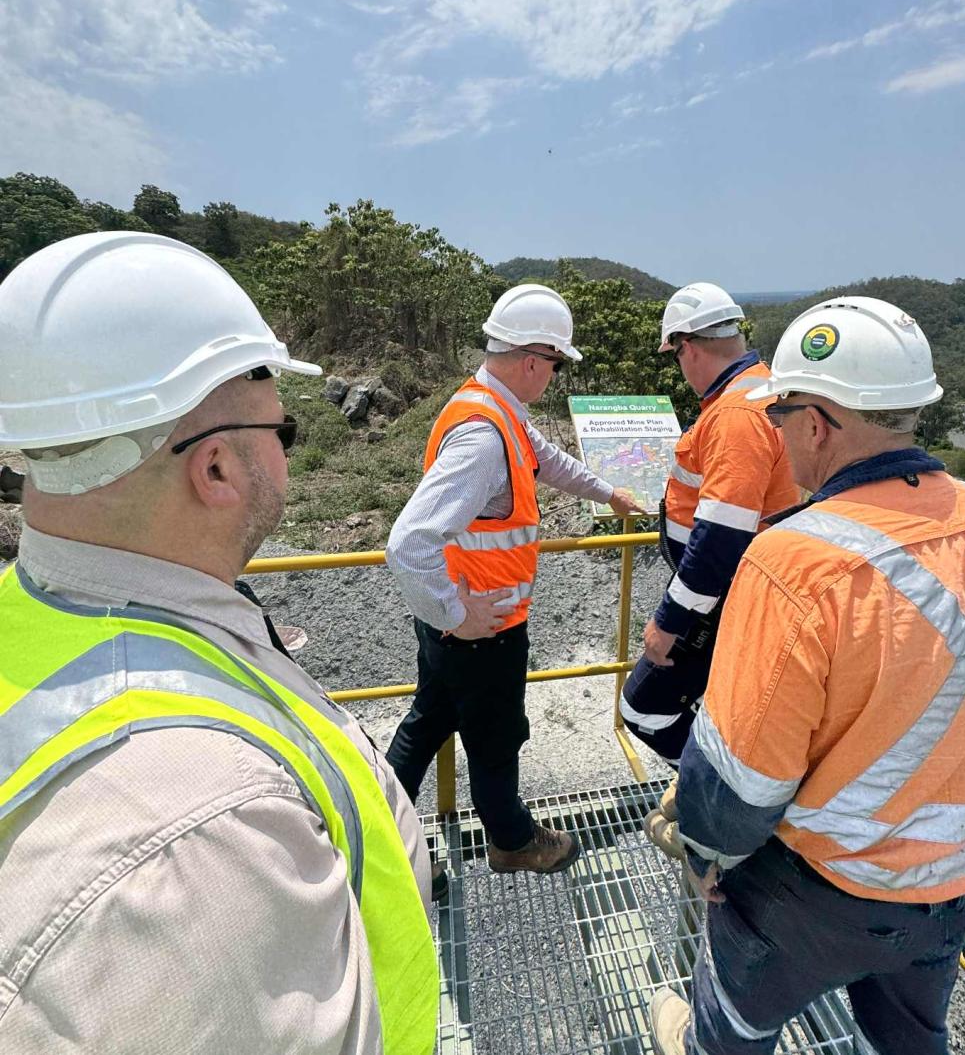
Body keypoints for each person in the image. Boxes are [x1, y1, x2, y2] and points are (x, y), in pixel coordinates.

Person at [0, 232, 438, 1055]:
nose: (286, 452)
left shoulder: (30, 617)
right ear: (215, 472)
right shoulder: (202, 838)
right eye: (285, 431)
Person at [649, 296, 965, 1055]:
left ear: (817, 423)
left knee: (728, 1035)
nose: (775, 433)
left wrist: (704, 850)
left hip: (817, 896)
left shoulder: (795, 561)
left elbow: (740, 786)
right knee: (908, 1039)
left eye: (780, 417)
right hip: (962, 878)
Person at [385, 284, 642, 875]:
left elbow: (547, 460)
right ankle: (513, 842)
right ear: (532, 360)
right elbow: (408, 542)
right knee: (498, 741)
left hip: (452, 623)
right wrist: (458, 615)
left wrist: (608, 493)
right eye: (554, 364)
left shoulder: (493, 409)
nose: (552, 375)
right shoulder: (484, 435)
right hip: (483, 629)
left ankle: (376, 831)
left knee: (428, 721)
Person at [620, 283, 796, 839]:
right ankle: (727, 795)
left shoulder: (737, 416)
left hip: (723, 595)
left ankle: (722, 808)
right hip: (749, 590)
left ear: (686, 347)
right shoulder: (766, 389)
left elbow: (719, 539)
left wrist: (669, 623)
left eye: (675, 358)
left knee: (645, 710)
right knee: (721, 702)